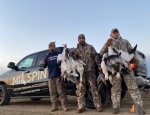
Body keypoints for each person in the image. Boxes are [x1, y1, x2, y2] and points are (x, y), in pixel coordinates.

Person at [100, 28, 145, 114]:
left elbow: (132, 52)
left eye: (116, 32)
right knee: (115, 89)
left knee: (133, 87)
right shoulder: (109, 43)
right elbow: (102, 52)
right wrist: (107, 44)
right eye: (114, 32)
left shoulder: (125, 41)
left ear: (119, 33)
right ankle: (116, 107)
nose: (115, 33)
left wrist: (136, 62)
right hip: (114, 68)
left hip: (126, 67)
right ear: (111, 34)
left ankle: (139, 107)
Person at [70, 34, 103, 113]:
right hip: (80, 73)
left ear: (84, 39)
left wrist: (99, 65)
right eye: (80, 38)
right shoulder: (75, 49)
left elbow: (95, 56)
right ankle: (81, 106)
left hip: (90, 71)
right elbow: (69, 58)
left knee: (93, 88)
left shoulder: (90, 47)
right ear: (78, 40)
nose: (81, 39)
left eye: (82, 38)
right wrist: (72, 55)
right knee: (80, 89)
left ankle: (98, 105)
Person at [40, 42, 68, 112]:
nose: (51, 47)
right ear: (49, 48)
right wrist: (42, 63)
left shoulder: (58, 54)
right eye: (50, 47)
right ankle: (54, 106)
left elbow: (65, 57)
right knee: (52, 92)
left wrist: (65, 49)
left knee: (61, 91)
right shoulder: (47, 55)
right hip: (50, 76)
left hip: (58, 75)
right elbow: (44, 65)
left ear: (54, 47)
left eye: (53, 46)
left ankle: (64, 106)